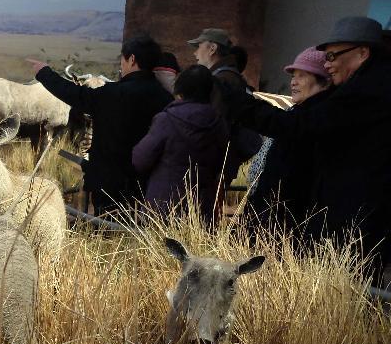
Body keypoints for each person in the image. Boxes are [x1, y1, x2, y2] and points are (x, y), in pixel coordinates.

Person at [219, 16, 391, 283]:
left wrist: (237, 103)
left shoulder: (367, 91)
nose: (329, 63)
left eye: (334, 55)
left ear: (362, 52)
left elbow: (298, 128)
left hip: (350, 223)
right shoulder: (373, 86)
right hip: (347, 221)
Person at [27, 35, 173, 214]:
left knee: (105, 228)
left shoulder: (112, 94)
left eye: (122, 60)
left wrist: (44, 73)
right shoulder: (165, 98)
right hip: (147, 183)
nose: (121, 65)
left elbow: (75, 94)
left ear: (132, 59)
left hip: (108, 182)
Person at [244, 47, 331, 232]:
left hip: (287, 222)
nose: (294, 83)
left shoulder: (314, 122)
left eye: (302, 76)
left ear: (324, 82)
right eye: (293, 76)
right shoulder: (293, 114)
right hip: (269, 216)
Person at [131, 65, 228, 225]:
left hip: (163, 207)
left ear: (179, 90)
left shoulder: (166, 120)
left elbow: (140, 159)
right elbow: (222, 160)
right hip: (202, 208)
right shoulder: (219, 123)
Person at [189, 28, 262, 184]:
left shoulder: (222, 79)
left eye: (199, 46)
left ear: (212, 49)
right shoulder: (227, 76)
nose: (195, 53)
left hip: (213, 165)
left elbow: (216, 124)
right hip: (219, 163)